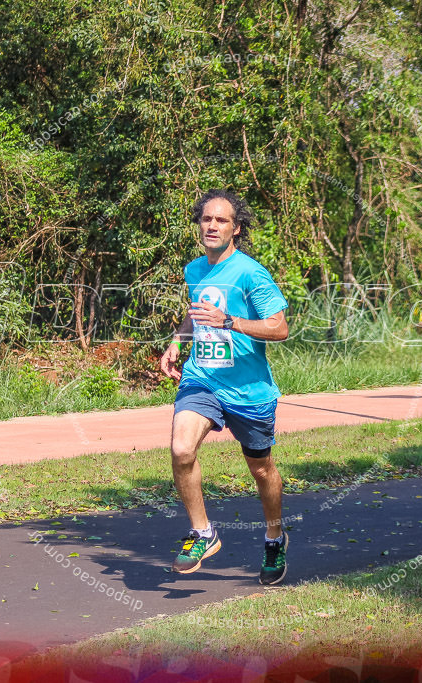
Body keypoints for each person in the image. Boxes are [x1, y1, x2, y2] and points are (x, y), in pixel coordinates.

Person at [159, 189, 291, 584]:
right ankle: (203, 533)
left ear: (236, 229)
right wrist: (179, 341)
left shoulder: (251, 273)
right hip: (203, 377)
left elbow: (279, 328)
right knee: (182, 449)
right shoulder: (194, 269)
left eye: (221, 220)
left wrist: (229, 321)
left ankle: (273, 537)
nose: (212, 225)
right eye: (206, 219)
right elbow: (196, 310)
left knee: (262, 470)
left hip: (249, 391)